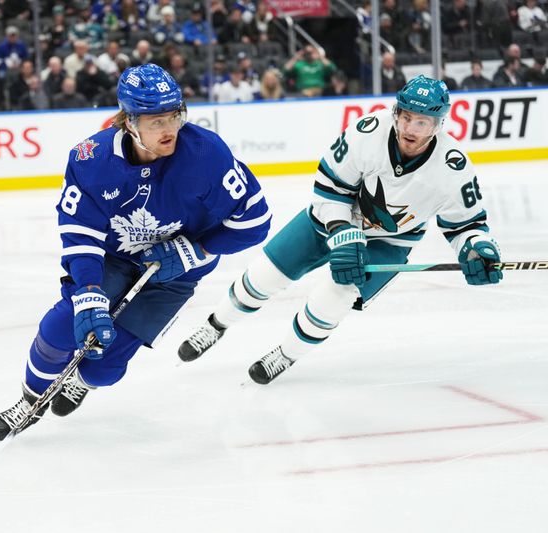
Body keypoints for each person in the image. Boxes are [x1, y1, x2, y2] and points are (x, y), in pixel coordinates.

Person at [0, 63, 272, 439]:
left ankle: (83, 383)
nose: (169, 129)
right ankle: (29, 400)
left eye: (174, 115)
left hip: (176, 275)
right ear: (129, 122)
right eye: (156, 121)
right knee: (61, 326)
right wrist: (88, 291)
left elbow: (256, 220)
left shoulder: (206, 156)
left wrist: (196, 251)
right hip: (114, 259)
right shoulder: (91, 159)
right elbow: (80, 233)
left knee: (106, 367)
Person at [177, 75, 503, 384]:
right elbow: (330, 187)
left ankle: (285, 355)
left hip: (390, 239)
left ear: (438, 124)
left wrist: (476, 248)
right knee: (263, 276)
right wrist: (343, 232)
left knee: (336, 297)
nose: (410, 128)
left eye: (422, 122)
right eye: (405, 117)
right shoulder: (368, 131)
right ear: (396, 113)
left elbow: (467, 224)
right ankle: (216, 324)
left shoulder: (453, 166)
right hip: (331, 219)